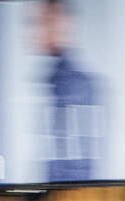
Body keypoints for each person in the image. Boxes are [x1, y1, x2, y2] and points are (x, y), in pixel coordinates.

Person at [36, 0, 103, 182]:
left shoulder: (75, 83)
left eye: (45, 21)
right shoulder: (52, 78)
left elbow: (80, 159)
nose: (38, 30)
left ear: (66, 24)